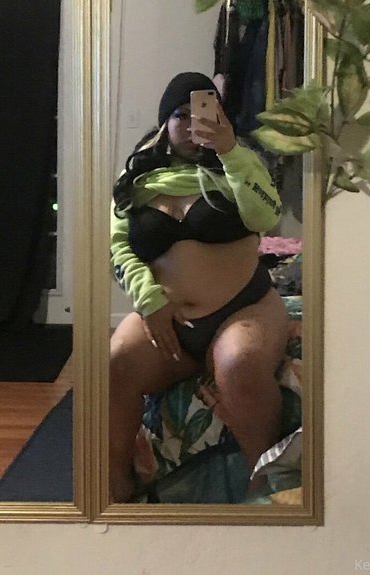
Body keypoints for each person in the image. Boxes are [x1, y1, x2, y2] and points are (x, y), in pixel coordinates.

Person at [109, 72, 289, 503]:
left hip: (244, 309)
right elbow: (119, 246)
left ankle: (264, 487)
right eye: (180, 115)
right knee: (114, 363)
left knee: (239, 364)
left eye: (204, 113)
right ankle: (116, 484)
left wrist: (229, 151)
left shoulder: (238, 163)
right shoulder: (137, 179)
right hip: (169, 319)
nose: (193, 124)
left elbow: (266, 216)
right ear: (164, 124)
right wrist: (149, 300)